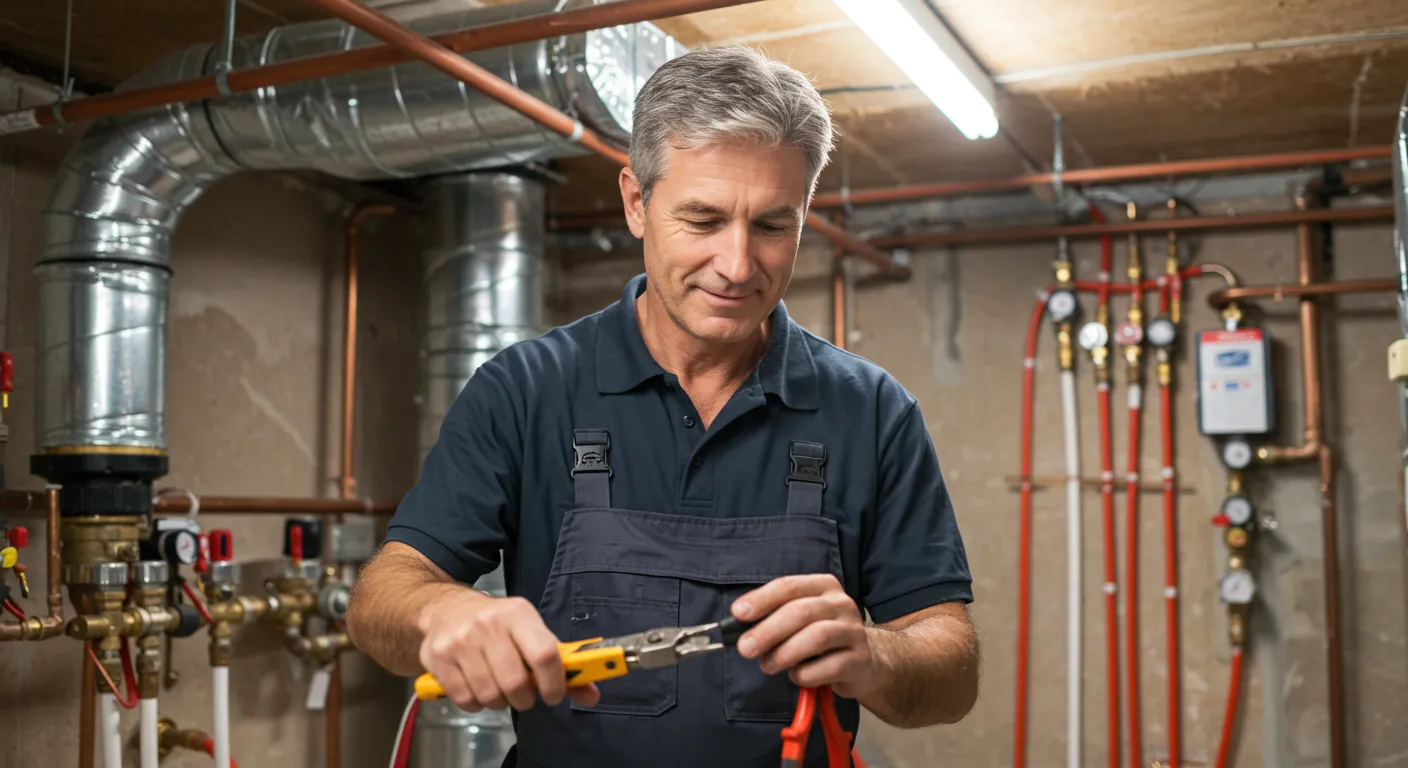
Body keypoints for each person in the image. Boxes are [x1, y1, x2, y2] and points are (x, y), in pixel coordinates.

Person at [346, 45, 979, 767]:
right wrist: (445, 608)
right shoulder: (526, 388)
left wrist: (876, 656)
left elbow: (951, 668)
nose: (738, 266)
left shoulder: (871, 413)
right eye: (703, 220)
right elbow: (382, 597)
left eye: (773, 226)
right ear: (636, 202)